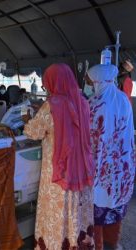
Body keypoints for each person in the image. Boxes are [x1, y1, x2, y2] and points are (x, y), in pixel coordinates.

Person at [22, 64, 95, 249]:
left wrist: (27, 119)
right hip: (81, 170)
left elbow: (34, 132)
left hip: (59, 171)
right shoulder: (83, 102)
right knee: (76, 209)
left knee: (58, 209)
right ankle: (76, 242)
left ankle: (57, 244)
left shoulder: (51, 106)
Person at [87, 64, 135, 250]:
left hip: (101, 164)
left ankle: (97, 244)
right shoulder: (123, 99)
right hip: (122, 162)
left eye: (91, 81)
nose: (91, 84)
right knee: (116, 201)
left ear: (98, 81)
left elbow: (89, 137)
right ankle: (113, 243)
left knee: (98, 204)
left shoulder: (94, 103)